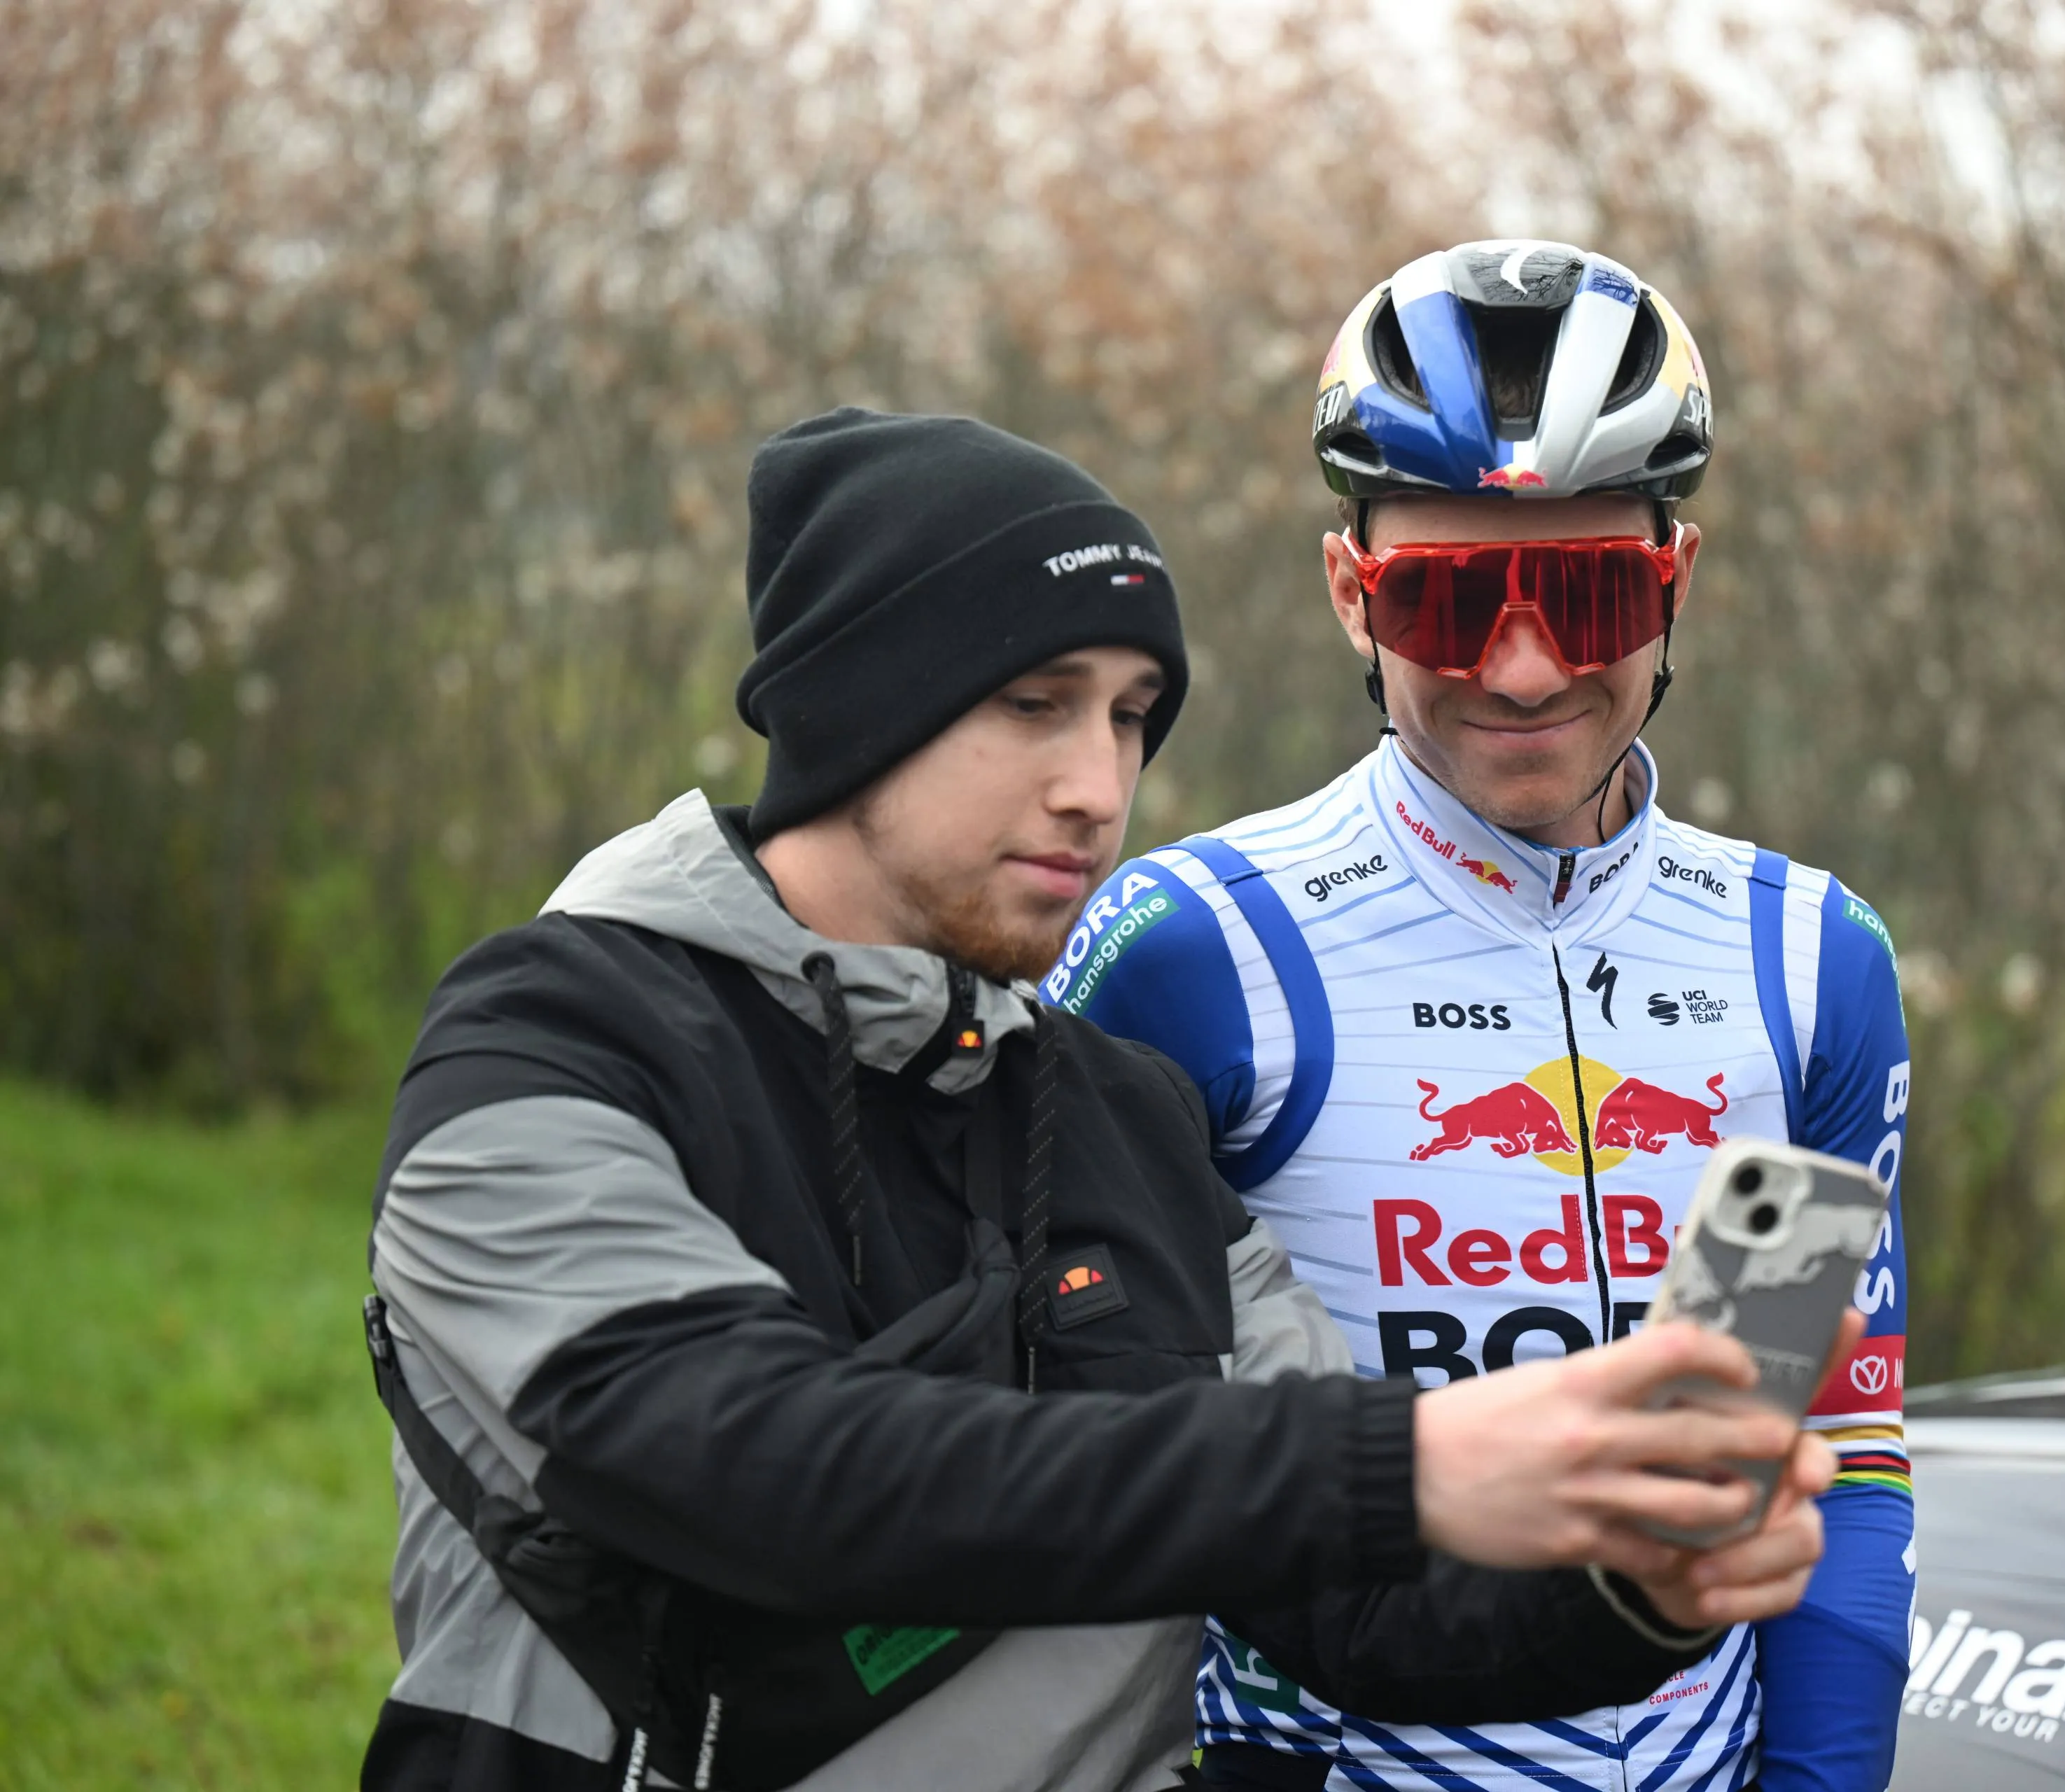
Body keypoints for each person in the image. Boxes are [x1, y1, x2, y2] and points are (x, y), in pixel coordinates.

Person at [358, 410, 1855, 1792]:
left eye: (1136, 715)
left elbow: (1361, 1601)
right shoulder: (548, 1038)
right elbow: (743, 1460)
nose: (1100, 782)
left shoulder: (1118, 1115)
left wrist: (1630, 1581)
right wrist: (1413, 1457)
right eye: (1035, 701)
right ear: (849, 707)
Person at [1052, 241, 1915, 1791]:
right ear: (1350, 595)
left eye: (1589, 590)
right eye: (1450, 602)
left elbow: (1828, 1456)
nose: (1525, 665)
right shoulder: (1190, 950)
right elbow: (1069, 1472)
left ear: (1676, 581)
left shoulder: (1804, 960)